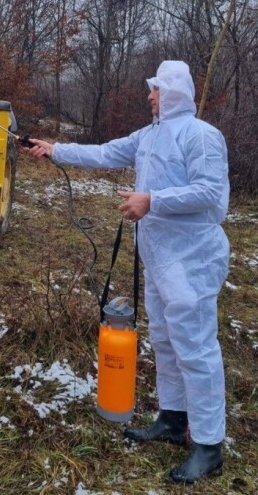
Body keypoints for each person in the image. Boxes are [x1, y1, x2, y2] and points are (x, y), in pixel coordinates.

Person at [26, 60, 229, 484]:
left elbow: (211, 194)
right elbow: (104, 152)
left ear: (173, 91)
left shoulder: (202, 136)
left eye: (156, 90)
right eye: (151, 90)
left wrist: (152, 200)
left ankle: (209, 445)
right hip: (157, 259)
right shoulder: (149, 135)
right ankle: (173, 421)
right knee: (164, 340)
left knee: (195, 347)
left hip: (192, 259)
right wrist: (55, 150)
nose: (150, 97)